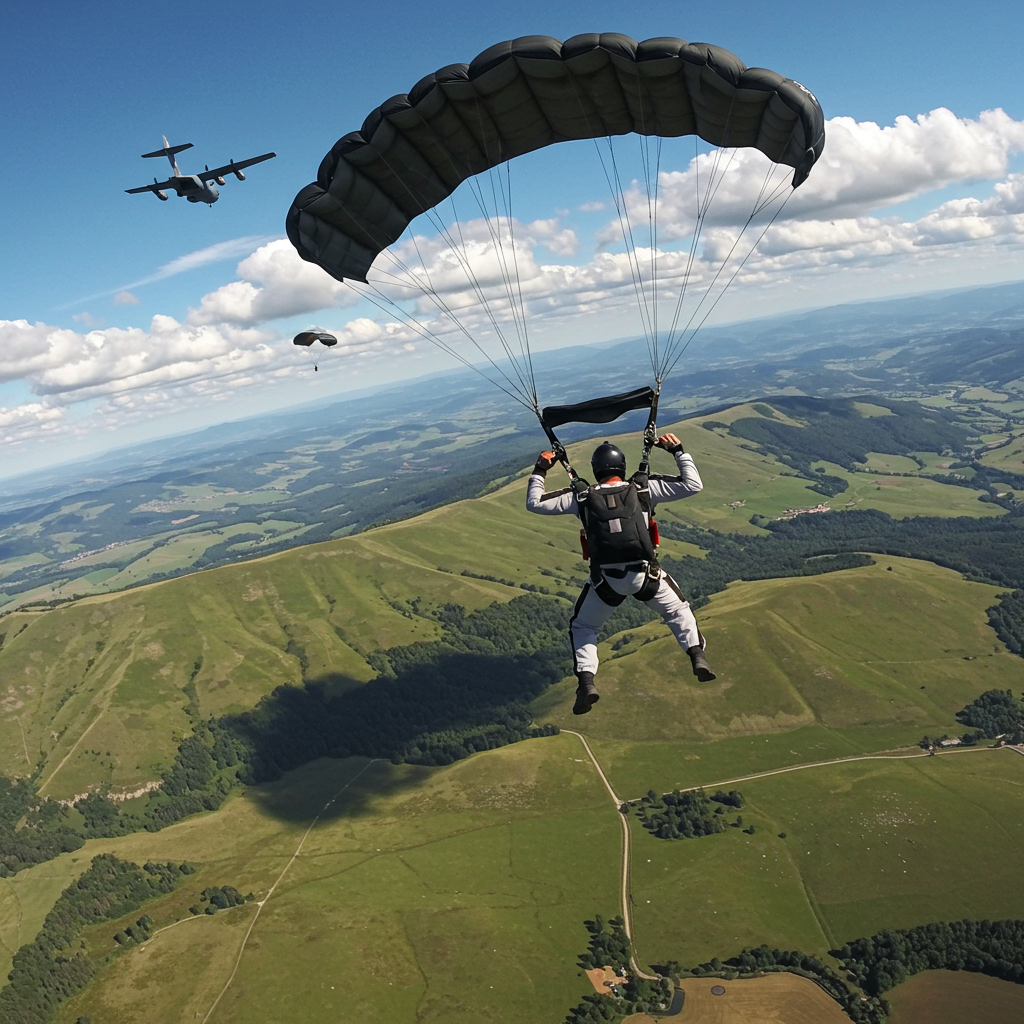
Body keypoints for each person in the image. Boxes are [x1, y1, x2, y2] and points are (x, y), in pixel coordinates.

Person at [527, 433, 715, 715]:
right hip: (646, 575)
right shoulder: (644, 489)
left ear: (596, 470)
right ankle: (696, 655)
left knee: (584, 627)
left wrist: (540, 469)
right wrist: (678, 451)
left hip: (607, 581)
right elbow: (693, 484)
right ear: (623, 467)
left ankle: (587, 681)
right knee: (678, 611)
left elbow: (535, 502)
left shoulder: (580, 497)